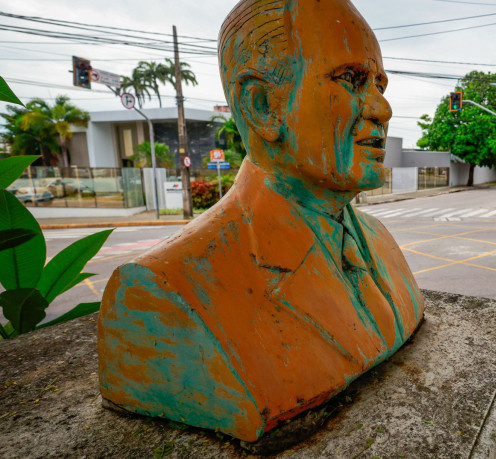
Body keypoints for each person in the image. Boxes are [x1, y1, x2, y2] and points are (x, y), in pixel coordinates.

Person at [97, 0, 424, 443]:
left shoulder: (379, 240)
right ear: (263, 105)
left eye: (380, 85)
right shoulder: (158, 291)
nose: (382, 109)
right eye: (351, 79)